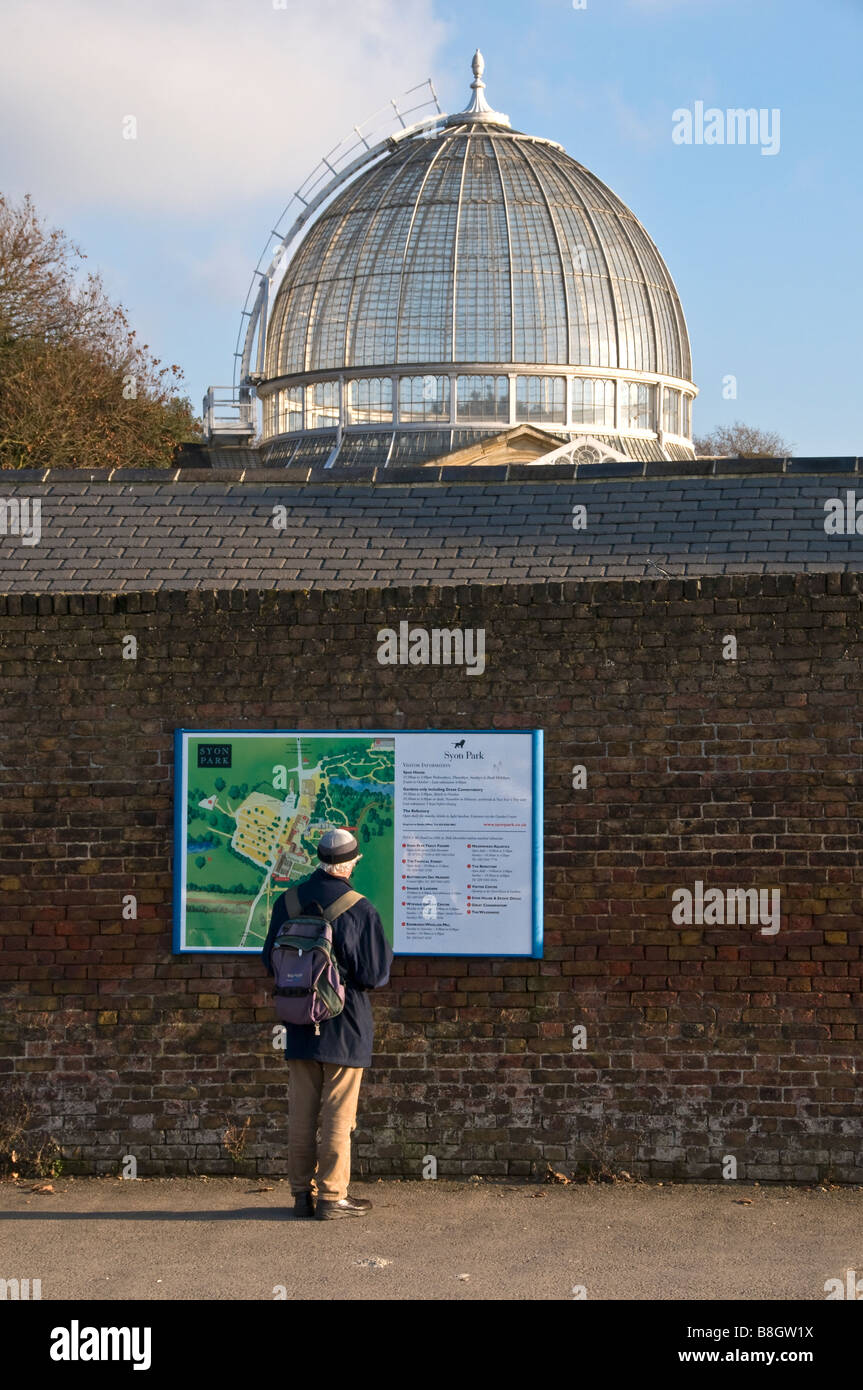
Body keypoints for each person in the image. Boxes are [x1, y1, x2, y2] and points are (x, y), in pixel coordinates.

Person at [262, 828, 393, 1220]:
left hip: (299, 1016)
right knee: (338, 1111)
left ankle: (301, 1194)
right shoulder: (360, 907)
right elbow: (373, 974)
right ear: (352, 861)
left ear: (319, 858)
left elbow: (270, 958)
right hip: (343, 1020)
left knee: (302, 1110)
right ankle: (333, 1196)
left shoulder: (289, 901)